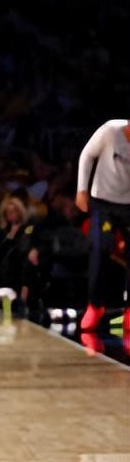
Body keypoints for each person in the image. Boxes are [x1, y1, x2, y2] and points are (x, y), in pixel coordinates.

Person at [75, 119, 130, 330]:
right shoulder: (110, 130)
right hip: (103, 202)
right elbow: (87, 154)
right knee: (99, 247)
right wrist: (81, 190)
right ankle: (95, 305)